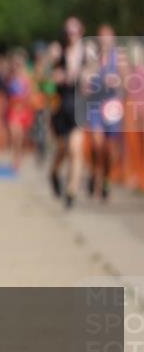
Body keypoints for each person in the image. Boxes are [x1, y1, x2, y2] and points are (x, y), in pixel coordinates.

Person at [49, 17, 86, 209]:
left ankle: (72, 190)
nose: (72, 36)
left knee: (76, 150)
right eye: (69, 32)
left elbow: (94, 77)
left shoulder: (87, 54)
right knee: (63, 149)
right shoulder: (58, 52)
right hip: (61, 107)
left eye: (75, 32)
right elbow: (43, 76)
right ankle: (54, 173)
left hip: (78, 107)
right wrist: (55, 75)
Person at [85, 24, 125, 201]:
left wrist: (117, 81)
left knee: (109, 149)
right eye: (102, 37)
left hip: (112, 107)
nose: (105, 40)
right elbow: (85, 80)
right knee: (96, 145)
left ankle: (107, 178)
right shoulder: (93, 58)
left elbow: (127, 80)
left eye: (108, 37)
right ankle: (94, 173)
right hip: (96, 105)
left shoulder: (120, 57)